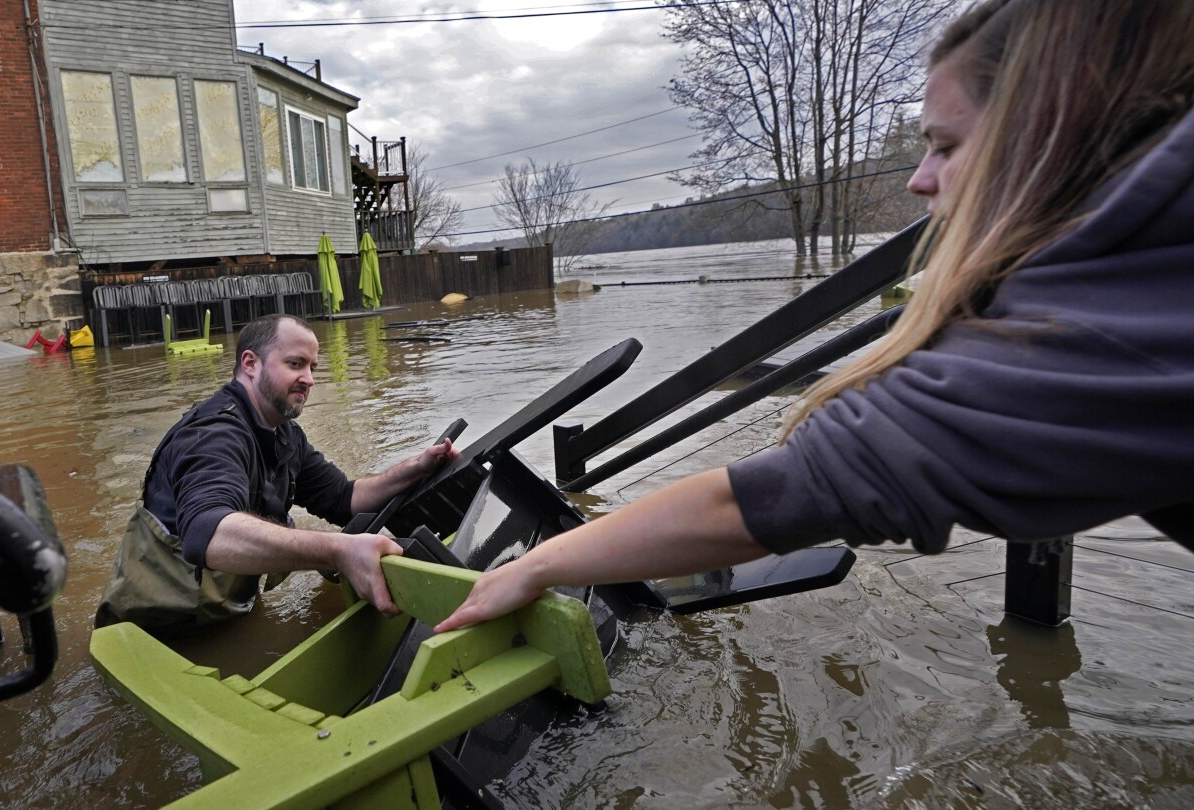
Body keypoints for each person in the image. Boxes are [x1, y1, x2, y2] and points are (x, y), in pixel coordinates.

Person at [436, 0, 1194, 633]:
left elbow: (774, 495)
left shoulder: (1094, 331)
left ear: (1052, 134)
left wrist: (535, 565)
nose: (920, 182)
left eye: (945, 146)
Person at [96, 313, 456, 634]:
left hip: (219, 611)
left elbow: (343, 498)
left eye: (313, 366)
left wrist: (414, 469)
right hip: (154, 631)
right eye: (296, 363)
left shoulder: (284, 432)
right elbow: (206, 535)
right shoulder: (212, 435)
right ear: (250, 363)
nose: (309, 379)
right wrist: (338, 550)